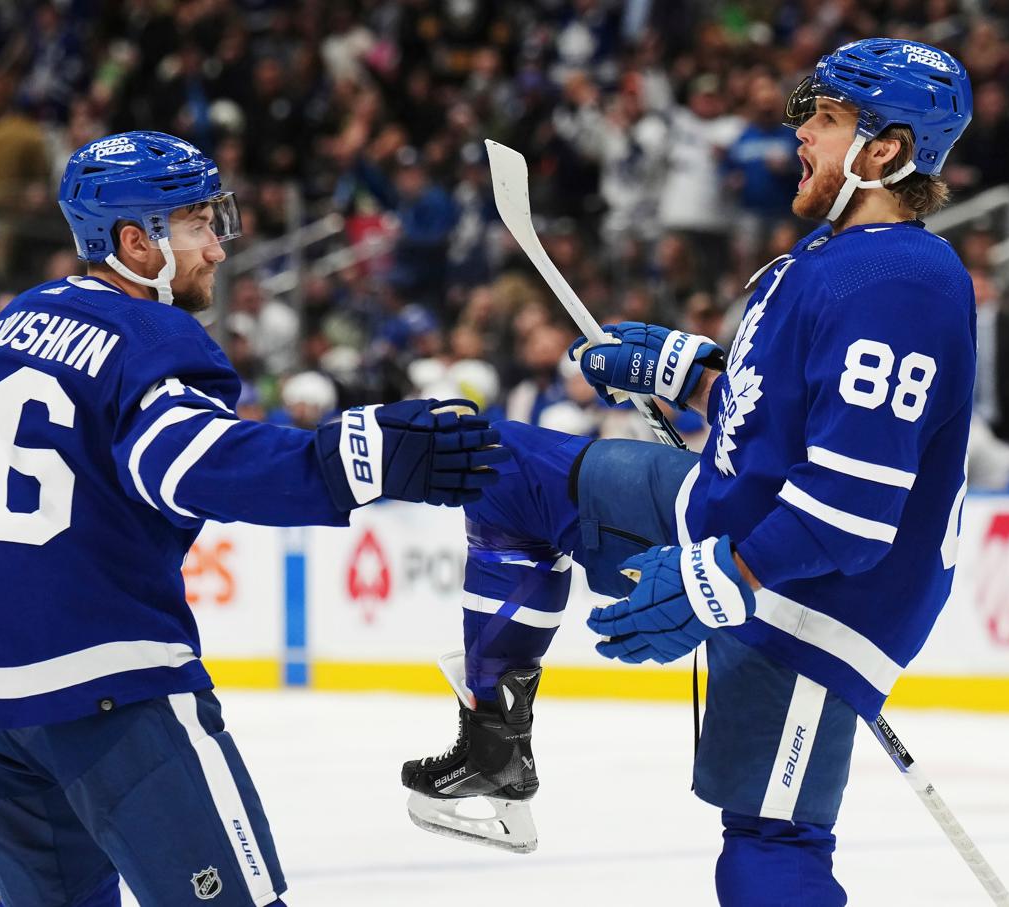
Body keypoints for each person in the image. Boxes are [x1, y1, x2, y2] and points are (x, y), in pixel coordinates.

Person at [402, 39, 974, 905]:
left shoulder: (901, 281)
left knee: (766, 845)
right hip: (736, 520)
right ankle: (495, 746)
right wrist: (696, 373)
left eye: (827, 120)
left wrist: (722, 578)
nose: (803, 137)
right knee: (504, 469)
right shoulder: (828, 261)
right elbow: (780, 422)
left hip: (815, 592)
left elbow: (853, 508)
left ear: (885, 149)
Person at [0, 130, 506, 907]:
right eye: (196, 224)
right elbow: (187, 462)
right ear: (134, 243)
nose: (217, 247)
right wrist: (367, 456)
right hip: (93, 678)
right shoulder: (151, 334)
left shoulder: (15, 319)